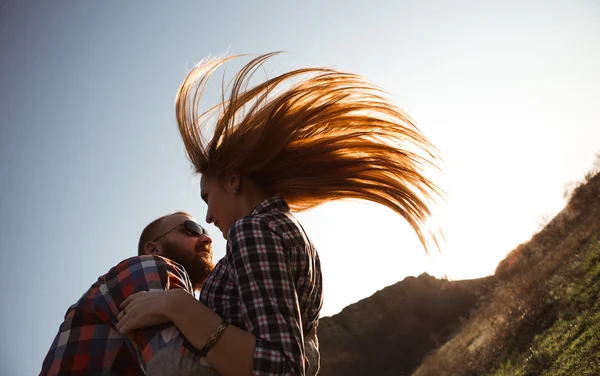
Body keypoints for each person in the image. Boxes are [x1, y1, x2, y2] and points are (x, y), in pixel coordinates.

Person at [117, 53, 441, 376]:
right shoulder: (283, 229)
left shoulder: (253, 231)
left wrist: (179, 305)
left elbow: (282, 367)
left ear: (232, 179)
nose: (210, 218)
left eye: (207, 198)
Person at [40, 212, 215, 375]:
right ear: (153, 249)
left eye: (205, 232)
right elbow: (175, 365)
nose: (206, 238)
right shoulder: (150, 265)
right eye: (192, 229)